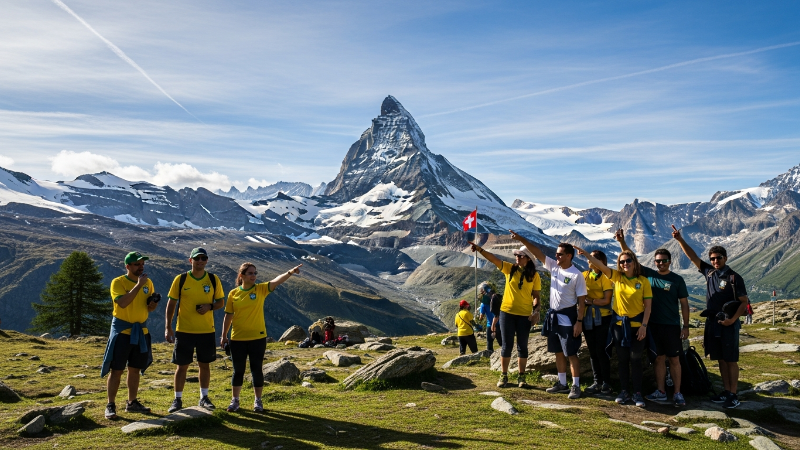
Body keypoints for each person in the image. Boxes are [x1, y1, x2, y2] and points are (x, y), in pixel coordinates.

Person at [672, 225, 748, 409]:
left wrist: (732, 320)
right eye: (712, 258)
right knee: (720, 358)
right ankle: (726, 391)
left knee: (731, 359)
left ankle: (734, 394)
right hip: (713, 322)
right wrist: (680, 240)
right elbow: (692, 257)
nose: (715, 261)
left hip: (729, 323)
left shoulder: (734, 277)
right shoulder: (709, 272)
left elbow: (744, 302)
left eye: (718, 258)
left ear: (725, 258)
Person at [615, 229, 690, 407]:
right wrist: (621, 242)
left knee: (674, 359)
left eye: (664, 261)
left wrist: (685, 326)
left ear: (670, 262)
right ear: (655, 262)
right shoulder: (650, 275)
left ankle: (678, 393)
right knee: (657, 358)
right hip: (653, 325)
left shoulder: (677, 280)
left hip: (671, 325)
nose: (661, 263)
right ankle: (661, 391)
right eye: (658, 261)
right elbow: (630, 259)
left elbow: (685, 304)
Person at [576, 245, 652, 407]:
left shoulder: (643, 281)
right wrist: (587, 255)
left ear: (634, 262)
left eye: (628, 260)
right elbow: (601, 266)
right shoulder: (616, 277)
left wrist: (644, 325)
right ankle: (624, 391)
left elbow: (648, 306)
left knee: (636, 359)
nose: (625, 264)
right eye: (622, 261)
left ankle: (637, 393)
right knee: (623, 359)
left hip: (638, 325)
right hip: (618, 326)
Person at [513, 234, 588, 399]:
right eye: (556, 254)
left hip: (568, 317)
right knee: (558, 352)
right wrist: (522, 239)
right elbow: (536, 251)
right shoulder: (553, 266)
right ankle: (562, 383)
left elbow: (582, 302)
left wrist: (579, 322)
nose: (557, 256)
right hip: (553, 316)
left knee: (571, 353)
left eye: (560, 254)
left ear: (569, 256)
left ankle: (576, 386)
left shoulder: (577, 275)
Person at [220, 262, 302, 412]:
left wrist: (290, 272)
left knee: (256, 369)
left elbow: (277, 280)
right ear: (242, 276)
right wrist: (223, 335)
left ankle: (258, 401)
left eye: (255, 273)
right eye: (250, 273)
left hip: (257, 338)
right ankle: (235, 401)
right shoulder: (233, 293)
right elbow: (228, 315)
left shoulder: (260, 289)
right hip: (237, 338)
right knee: (238, 370)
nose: (254, 276)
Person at [470, 234, 541, 389]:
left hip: (524, 315)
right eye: (516, 255)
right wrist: (480, 249)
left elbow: (536, 296)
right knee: (506, 345)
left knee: (522, 346)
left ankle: (521, 377)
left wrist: (536, 310)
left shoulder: (534, 275)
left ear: (527, 258)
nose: (516, 257)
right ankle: (504, 375)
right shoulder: (509, 269)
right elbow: (493, 258)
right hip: (507, 313)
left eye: (520, 255)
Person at [165, 247, 225, 413]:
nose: (200, 261)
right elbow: (171, 304)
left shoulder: (213, 279)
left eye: (203, 258)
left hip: (206, 330)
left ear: (206, 261)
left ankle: (204, 397)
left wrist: (209, 306)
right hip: (184, 330)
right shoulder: (181, 279)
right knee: (181, 366)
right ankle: (177, 399)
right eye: (197, 258)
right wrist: (168, 326)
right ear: (190, 260)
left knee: (204, 365)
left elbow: (221, 302)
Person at [101, 251, 159, 419]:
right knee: (116, 370)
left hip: (141, 331)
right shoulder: (118, 282)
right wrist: (139, 285)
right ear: (127, 266)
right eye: (136, 264)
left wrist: (153, 303)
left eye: (142, 264)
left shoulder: (148, 283)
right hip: (122, 332)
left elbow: (149, 308)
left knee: (134, 369)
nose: (141, 267)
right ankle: (110, 404)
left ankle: (132, 403)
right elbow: (123, 303)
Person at [581, 250, 614, 396]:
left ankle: (606, 382)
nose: (590, 260)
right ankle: (597, 382)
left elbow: (607, 300)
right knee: (593, 351)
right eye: (590, 258)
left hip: (603, 317)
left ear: (602, 261)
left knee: (602, 350)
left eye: (594, 258)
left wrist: (591, 301)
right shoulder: (584, 275)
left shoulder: (606, 277)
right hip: (588, 317)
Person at [476, 282, 498, 352]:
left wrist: (479, 319)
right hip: (499, 324)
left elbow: (481, 317)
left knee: (489, 342)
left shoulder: (483, 304)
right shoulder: (496, 300)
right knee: (502, 342)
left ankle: (490, 354)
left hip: (490, 325)